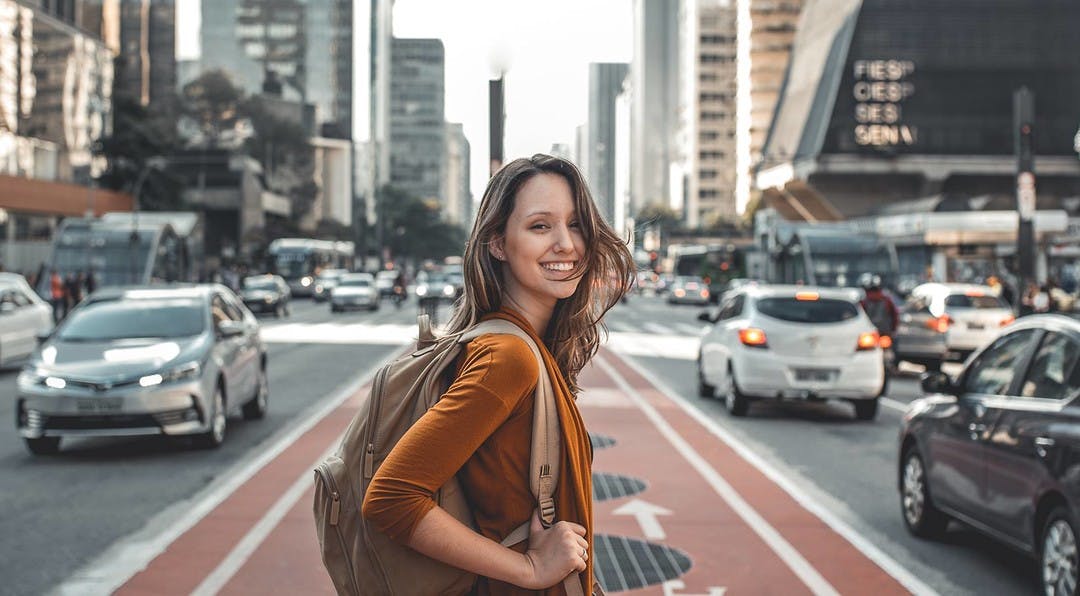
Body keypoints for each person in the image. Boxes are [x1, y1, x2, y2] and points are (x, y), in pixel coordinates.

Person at [362, 154, 634, 594]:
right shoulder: (508, 356)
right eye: (540, 226)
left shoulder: (523, 345)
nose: (566, 243)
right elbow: (390, 498)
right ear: (498, 244)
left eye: (576, 223)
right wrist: (528, 569)